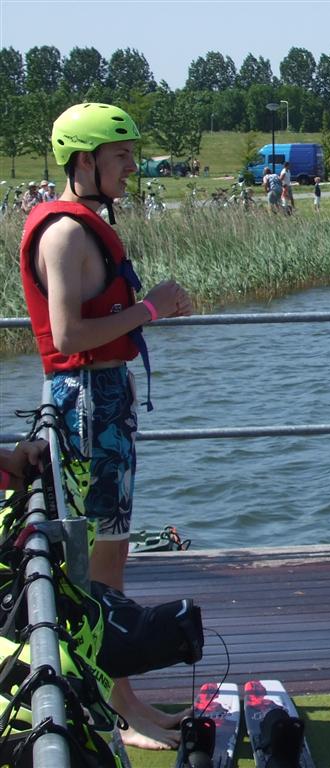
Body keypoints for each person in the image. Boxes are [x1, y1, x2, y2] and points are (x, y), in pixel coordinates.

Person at [19, 102, 194, 750]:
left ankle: (121, 697)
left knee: (109, 553)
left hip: (105, 400)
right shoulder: (66, 234)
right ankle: (112, 707)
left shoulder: (87, 223)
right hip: (89, 405)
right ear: (85, 161)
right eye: (120, 156)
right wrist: (151, 306)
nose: (131, 167)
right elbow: (67, 335)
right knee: (101, 561)